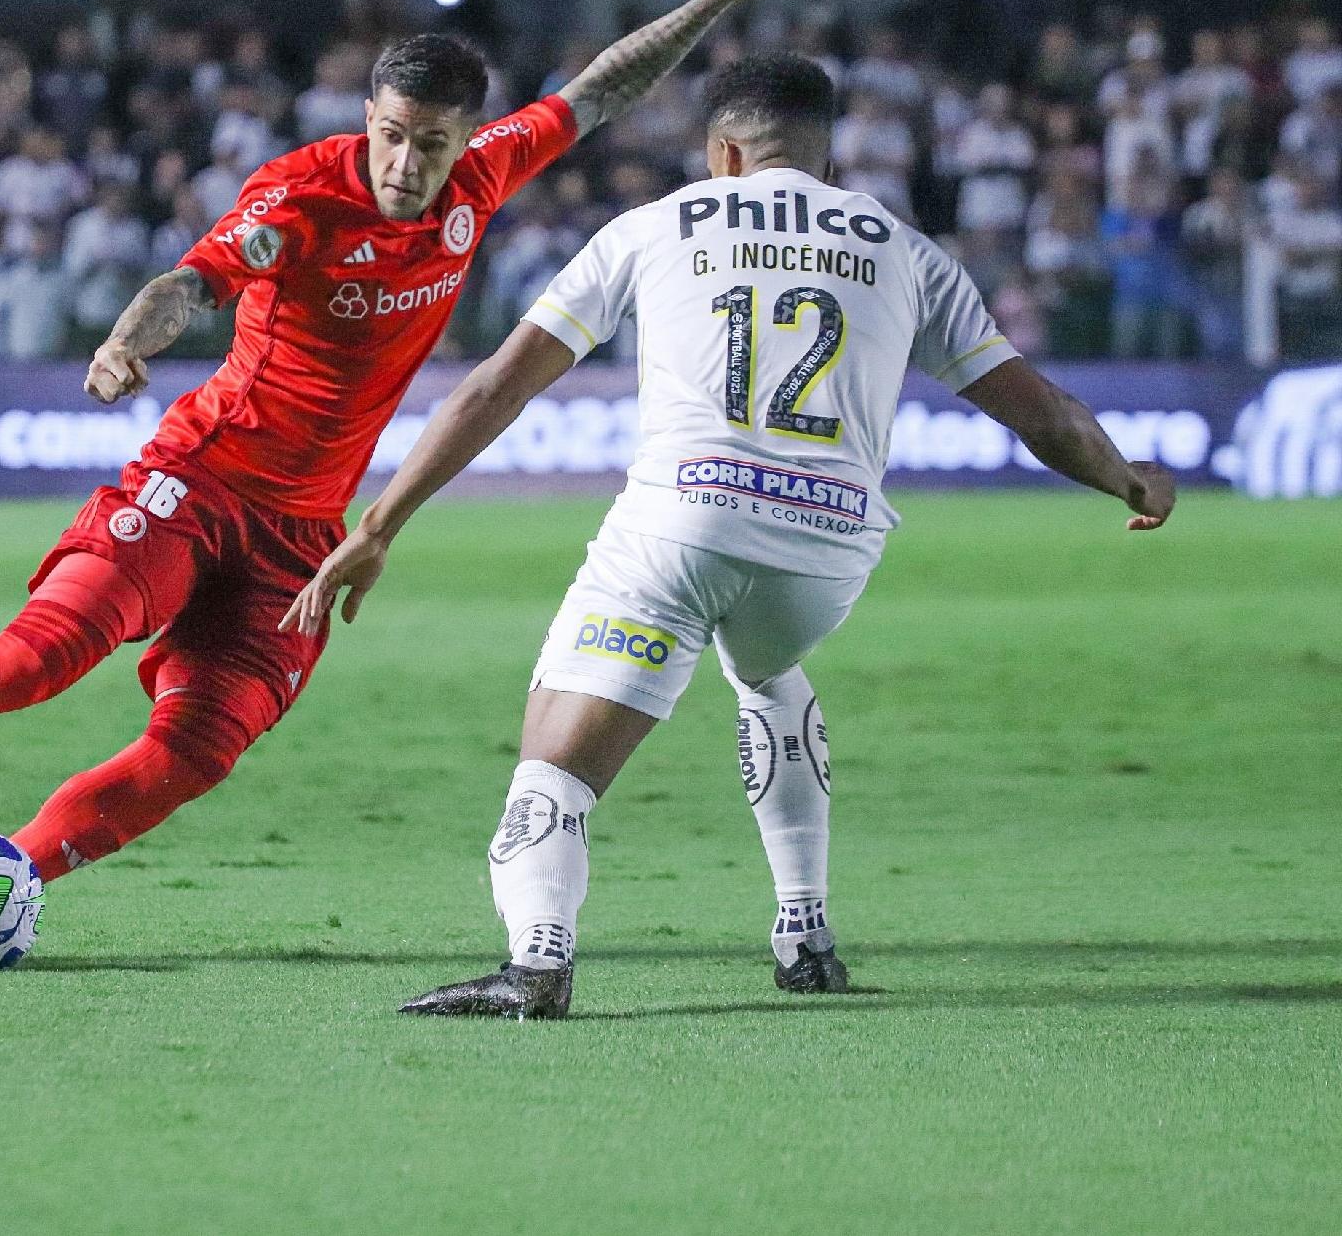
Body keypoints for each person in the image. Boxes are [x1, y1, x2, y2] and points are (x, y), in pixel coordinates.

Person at [0, 0, 822, 885]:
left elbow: (597, 91)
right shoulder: (300, 195)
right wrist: (123, 338)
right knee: (42, 656)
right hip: (199, 476)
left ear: (462, 136)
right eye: (391, 134)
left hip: (304, 532)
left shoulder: (482, 175)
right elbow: (193, 282)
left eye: (431, 143)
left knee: (196, 750)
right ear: (368, 117)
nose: (405, 162)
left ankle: (11, 875)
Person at [282, 52, 1177, 1019]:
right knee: (766, 670)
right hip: (829, 556)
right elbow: (1041, 414)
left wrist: (380, 524)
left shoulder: (655, 225)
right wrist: (1128, 478)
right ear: (826, 161)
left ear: (721, 150)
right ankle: (805, 932)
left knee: (556, 763)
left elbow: (495, 387)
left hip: (684, 525)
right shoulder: (905, 249)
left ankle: (537, 964)